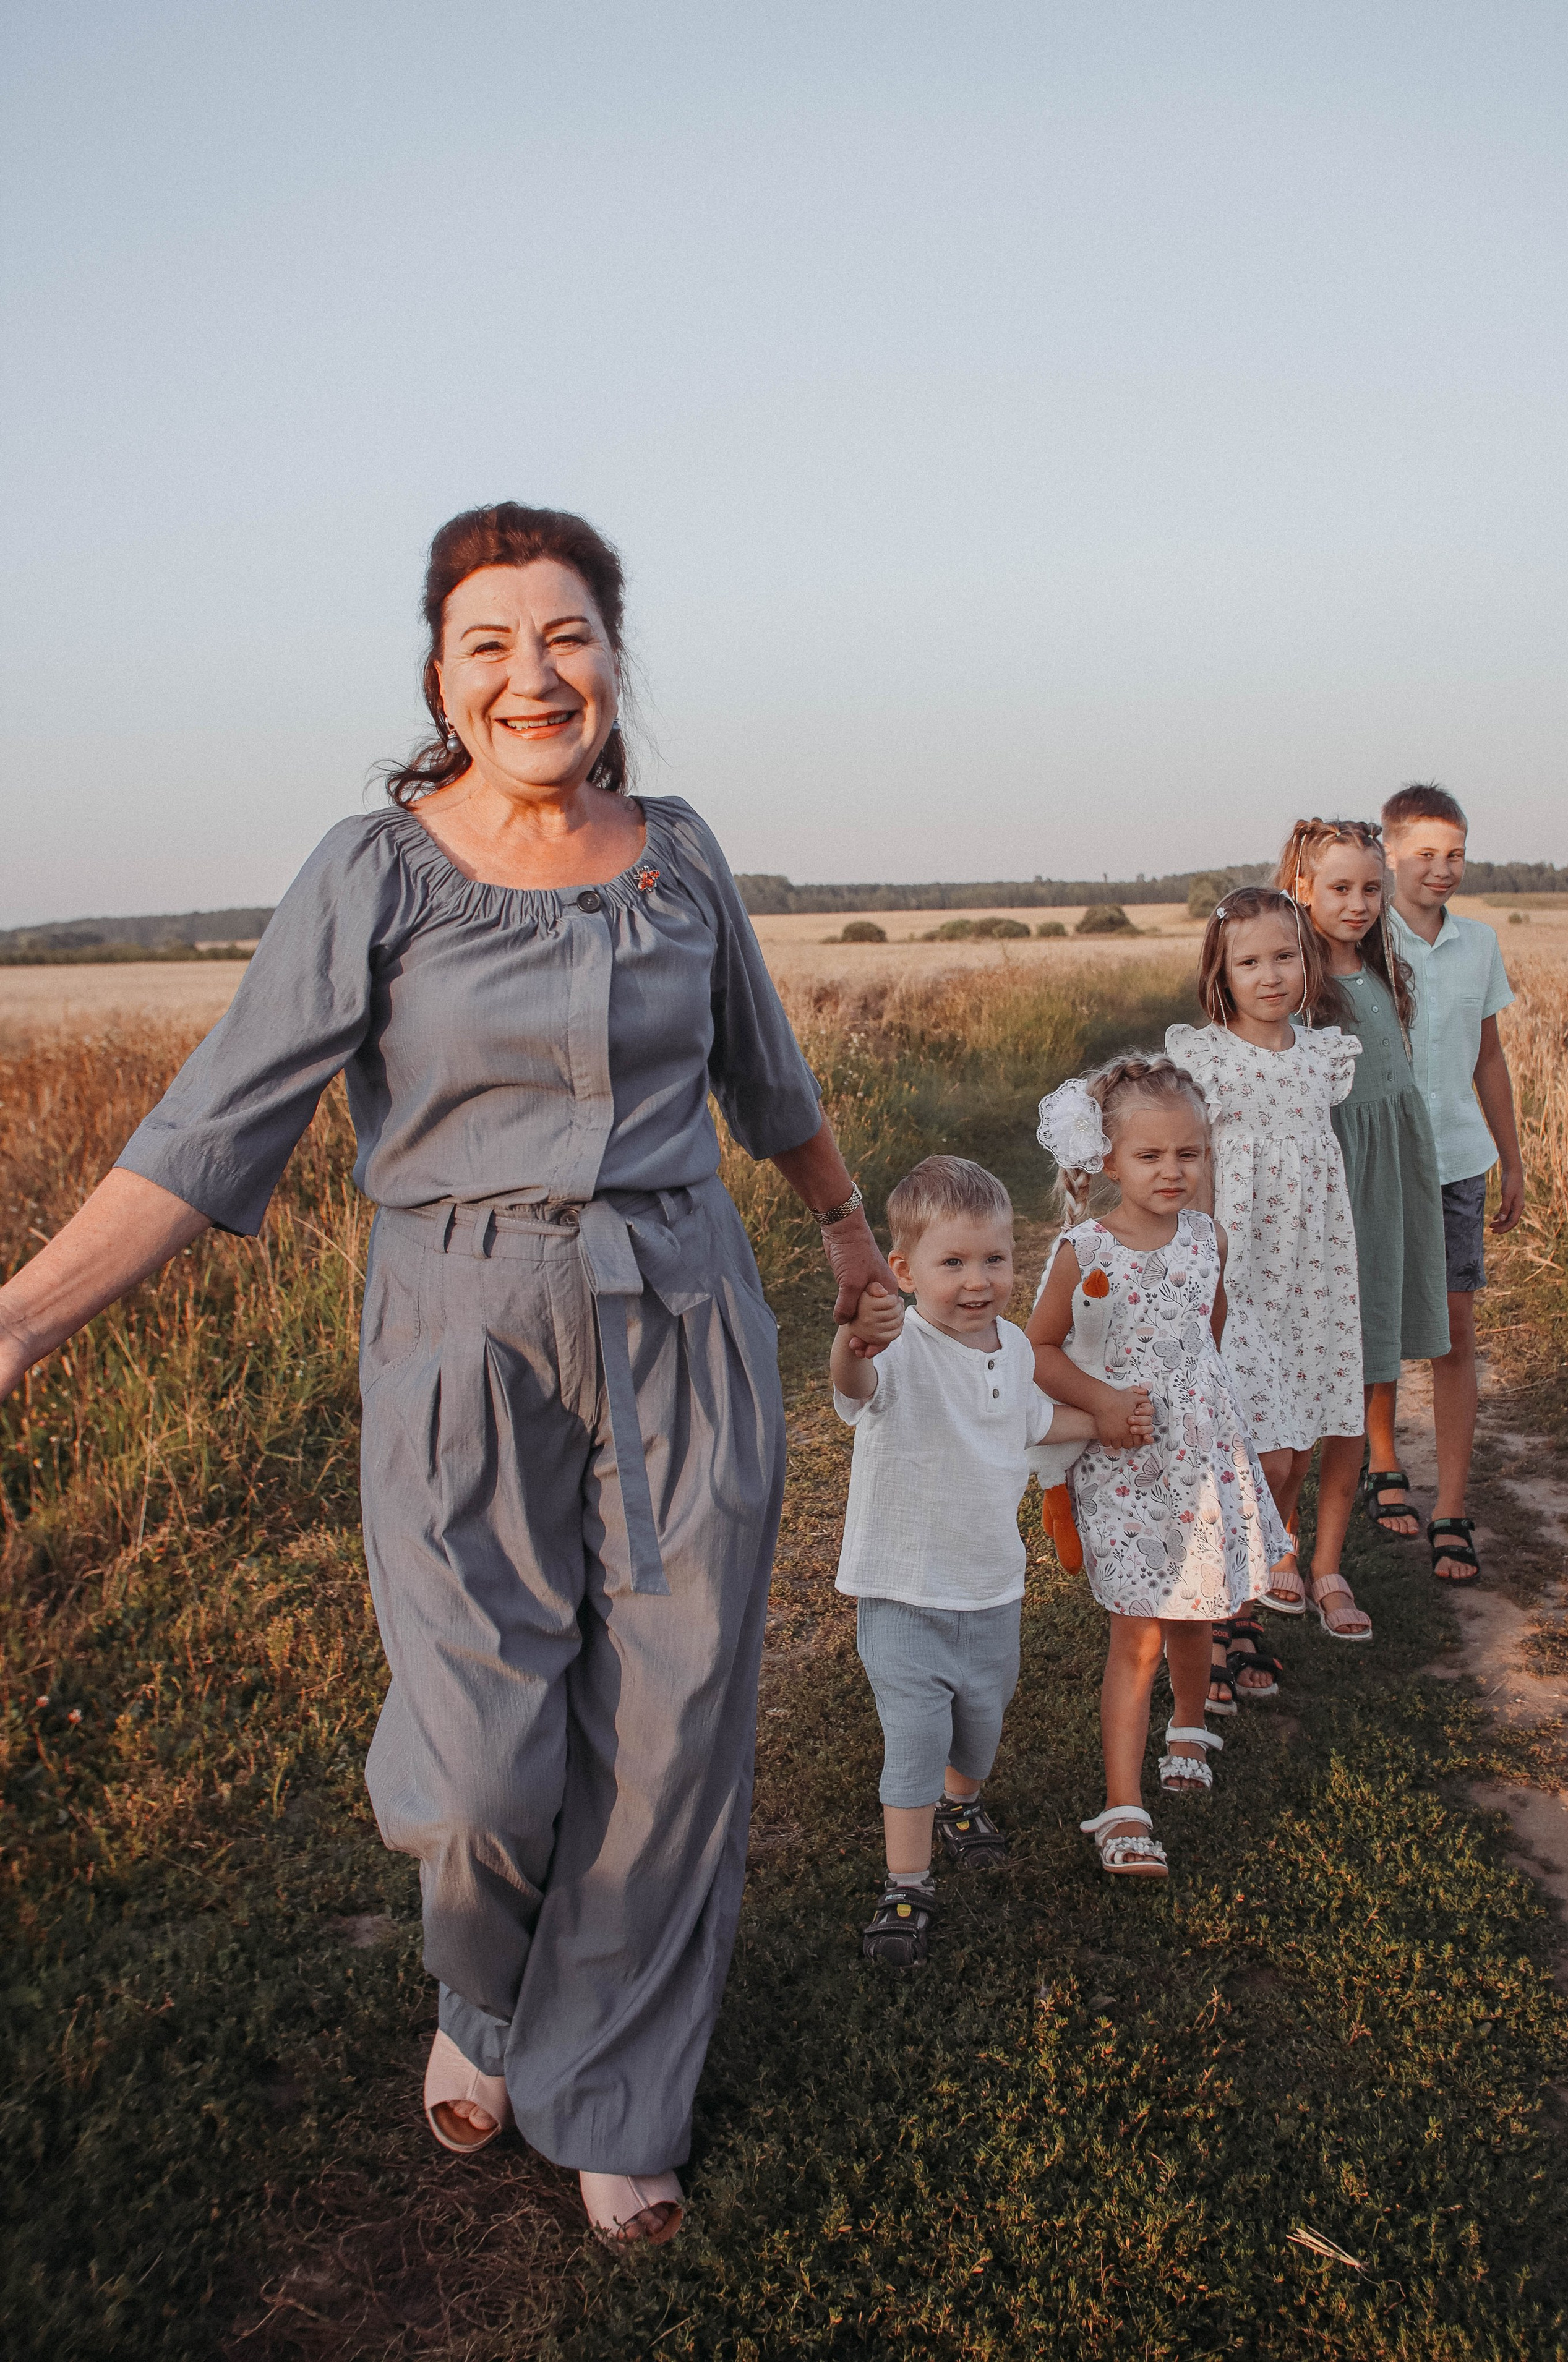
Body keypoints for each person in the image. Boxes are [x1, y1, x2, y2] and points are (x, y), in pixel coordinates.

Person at [0, 503, 898, 2248]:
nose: (531, 673)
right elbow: (211, 1124)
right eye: (489, 642)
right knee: (484, 1766)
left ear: (615, 660)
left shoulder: (682, 855)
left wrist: (853, 1242)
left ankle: (617, 2086)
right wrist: (24, 1316)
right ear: (440, 674)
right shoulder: (376, 871)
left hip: (684, 1313)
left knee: (670, 1726)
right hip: (458, 1333)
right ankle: (483, 1993)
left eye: (564, 635)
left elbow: (768, 1081)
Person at [830, 1156, 1150, 1966]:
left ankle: (961, 1804)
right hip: (903, 1593)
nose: (977, 1282)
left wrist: (1105, 1422)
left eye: (995, 1260)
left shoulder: (1011, 1347)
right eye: (953, 1263)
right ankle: (907, 1887)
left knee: (980, 1727)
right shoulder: (899, 1352)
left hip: (990, 1590)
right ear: (903, 1272)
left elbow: (1034, 1420)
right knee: (914, 1734)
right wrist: (856, 1340)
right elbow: (855, 1385)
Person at [1027, 1058, 1287, 1880]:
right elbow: (1035, 1349)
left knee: (1196, 1604)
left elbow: (1207, 1332)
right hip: (1127, 1464)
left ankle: (1187, 1722)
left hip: (1198, 1461)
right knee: (1136, 1628)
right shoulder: (1086, 1250)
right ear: (1109, 1161)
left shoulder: (1209, 1238)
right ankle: (1123, 1803)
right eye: (1151, 1157)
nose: (1173, 1171)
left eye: (1189, 1154)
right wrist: (1101, 1401)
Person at [1166, 887, 1367, 1701]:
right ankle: (1208, 1613)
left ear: (1308, 963)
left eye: (1285, 957)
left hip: (1314, 1274)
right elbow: (1182, 1158)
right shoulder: (1206, 1059)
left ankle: (1244, 1602)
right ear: (1222, 973)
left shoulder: (1324, 1057)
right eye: (1249, 962)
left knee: (1295, 1441)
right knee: (1243, 1437)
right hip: (1235, 1274)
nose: (1271, 975)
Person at [1273, 819, 1450, 1631]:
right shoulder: (1294, 983)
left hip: (1388, 1183)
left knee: (1368, 1354)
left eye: (1372, 889)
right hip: (1328, 1182)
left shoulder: (1384, 970)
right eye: (1339, 888)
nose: (1358, 903)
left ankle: (1328, 1563)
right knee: (1309, 1371)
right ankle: (1279, 1544)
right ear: (1302, 888)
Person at [1374, 782, 1524, 1582]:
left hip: (1459, 1161)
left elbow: (1489, 1057)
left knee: (1455, 1329)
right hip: (1378, 1163)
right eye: (1426, 853)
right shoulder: (1362, 946)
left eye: (1455, 853)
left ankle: (1453, 1505)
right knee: (1378, 1326)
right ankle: (1383, 1460)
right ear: (1389, 852)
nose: (1443, 868)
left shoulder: (1480, 945)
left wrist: (1513, 1155)